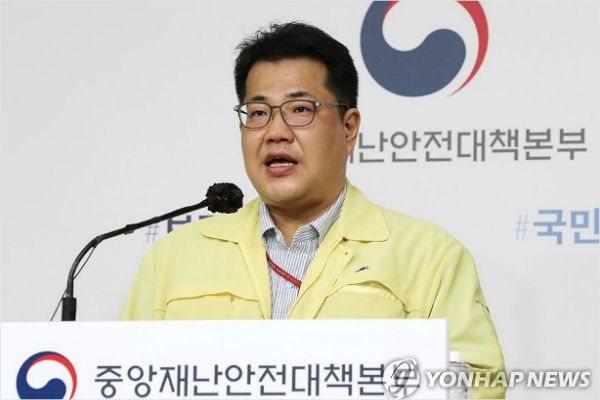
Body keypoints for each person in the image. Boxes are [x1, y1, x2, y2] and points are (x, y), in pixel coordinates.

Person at [121, 22, 505, 399]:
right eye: (258, 113)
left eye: (300, 109)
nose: (275, 132)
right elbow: (122, 377)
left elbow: (481, 387)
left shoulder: (430, 257)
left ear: (349, 128)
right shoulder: (172, 259)